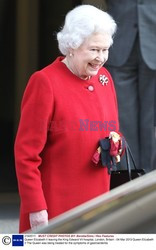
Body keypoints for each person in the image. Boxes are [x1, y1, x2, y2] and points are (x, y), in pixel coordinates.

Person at [14, 4, 120, 233]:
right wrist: (36, 207)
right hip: (56, 207)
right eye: (94, 50)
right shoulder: (45, 82)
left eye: (105, 50)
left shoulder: (104, 79)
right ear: (72, 46)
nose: (100, 58)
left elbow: (112, 131)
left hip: (97, 204)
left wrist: (114, 144)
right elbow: (26, 155)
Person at [103, 0, 156, 172]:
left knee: (152, 122)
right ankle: (127, 179)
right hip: (120, 35)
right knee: (121, 120)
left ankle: (150, 183)